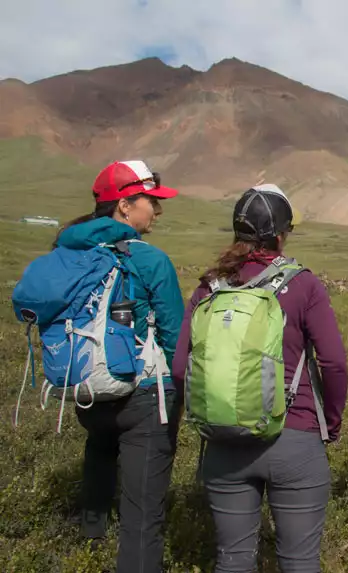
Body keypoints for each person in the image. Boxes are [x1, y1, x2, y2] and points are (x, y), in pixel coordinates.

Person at [172, 184, 348, 573]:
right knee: (299, 562)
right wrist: (330, 424)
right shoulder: (303, 284)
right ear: (281, 235)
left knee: (232, 560)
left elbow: (180, 369)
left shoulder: (209, 287)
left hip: (223, 441)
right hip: (296, 437)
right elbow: (334, 363)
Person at [58, 160, 185, 572]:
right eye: (151, 201)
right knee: (143, 509)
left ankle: (90, 537)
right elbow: (173, 335)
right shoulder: (151, 261)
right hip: (143, 395)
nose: (158, 211)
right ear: (126, 206)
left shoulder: (68, 252)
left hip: (87, 386)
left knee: (98, 449)